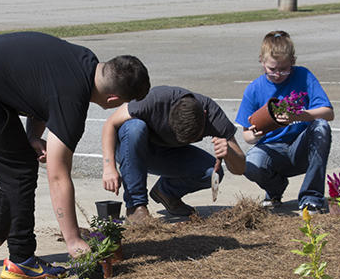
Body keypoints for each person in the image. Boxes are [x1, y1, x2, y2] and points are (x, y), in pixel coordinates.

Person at [0, 31, 150, 279]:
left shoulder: (85, 61)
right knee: (21, 170)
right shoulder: (73, 98)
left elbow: (39, 94)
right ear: (113, 98)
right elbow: (58, 175)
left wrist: (33, 136)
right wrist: (73, 241)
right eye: (124, 103)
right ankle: (21, 259)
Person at [100, 86, 246, 220]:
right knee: (134, 127)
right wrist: (109, 167)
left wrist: (229, 152)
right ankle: (136, 207)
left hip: (167, 153)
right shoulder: (153, 100)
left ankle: (166, 193)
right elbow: (110, 124)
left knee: (212, 172)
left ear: (204, 114)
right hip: (130, 149)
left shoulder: (214, 116)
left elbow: (240, 169)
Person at [235, 31, 334, 213]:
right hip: (272, 150)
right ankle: (274, 189)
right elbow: (247, 135)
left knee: (321, 126)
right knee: (249, 164)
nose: (278, 74)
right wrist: (256, 135)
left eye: (284, 69)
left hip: (301, 147)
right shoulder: (254, 89)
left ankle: (311, 198)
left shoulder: (303, 76)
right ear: (262, 62)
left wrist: (298, 116)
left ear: (293, 62)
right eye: (272, 69)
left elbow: (328, 113)